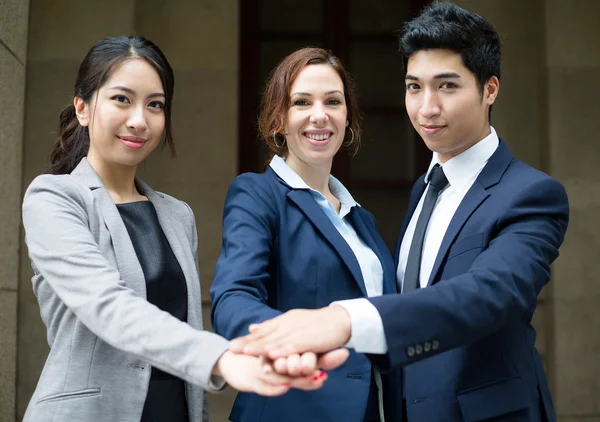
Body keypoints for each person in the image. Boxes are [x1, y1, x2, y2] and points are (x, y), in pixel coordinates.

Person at [230, 4, 570, 422]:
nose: (426, 108)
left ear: (490, 89)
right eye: (414, 87)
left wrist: (345, 320)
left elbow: (488, 294)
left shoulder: (531, 194)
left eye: (447, 86)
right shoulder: (424, 190)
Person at [21, 36, 340, 422]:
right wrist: (220, 357)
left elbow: (183, 325)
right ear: (83, 108)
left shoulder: (176, 215)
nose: (139, 120)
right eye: (122, 99)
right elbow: (107, 305)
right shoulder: (54, 198)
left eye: (155, 105)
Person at [210, 47, 402, 422]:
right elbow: (233, 297)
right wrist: (289, 343)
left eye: (333, 101)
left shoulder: (361, 219)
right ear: (279, 119)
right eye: (301, 102)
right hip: (294, 406)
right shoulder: (257, 195)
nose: (320, 115)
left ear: (348, 117)